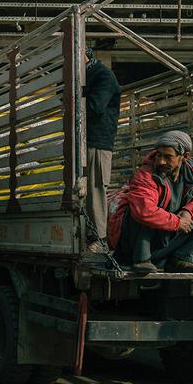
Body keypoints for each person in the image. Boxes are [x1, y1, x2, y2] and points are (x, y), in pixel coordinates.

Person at [108, 131, 193, 273]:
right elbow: (144, 211)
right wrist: (178, 223)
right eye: (159, 155)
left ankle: (182, 259)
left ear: (184, 157)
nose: (161, 161)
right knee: (139, 210)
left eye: (168, 157)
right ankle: (141, 260)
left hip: (169, 236)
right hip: (138, 244)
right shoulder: (145, 174)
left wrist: (188, 212)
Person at [83, 47, 121, 253]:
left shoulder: (103, 75)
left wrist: (73, 97)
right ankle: (89, 234)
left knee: (95, 189)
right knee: (85, 190)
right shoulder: (87, 74)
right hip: (85, 141)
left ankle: (99, 238)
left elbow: (95, 106)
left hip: (98, 142)